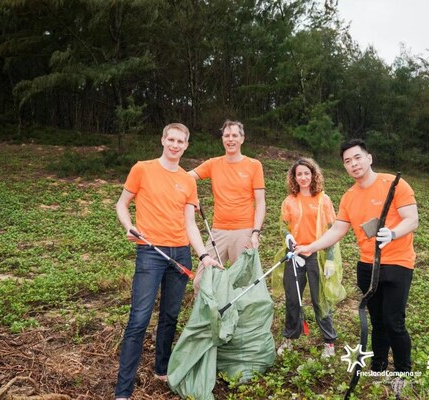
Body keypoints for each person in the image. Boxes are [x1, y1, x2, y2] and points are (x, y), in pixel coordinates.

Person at [114, 123, 220, 400]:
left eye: (180, 141)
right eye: (170, 139)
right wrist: (128, 226)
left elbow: (190, 223)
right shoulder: (142, 169)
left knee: (170, 316)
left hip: (180, 254)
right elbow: (122, 204)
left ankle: (161, 369)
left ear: (186, 145)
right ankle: (123, 391)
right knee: (139, 319)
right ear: (162, 140)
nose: (174, 145)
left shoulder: (188, 180)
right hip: (150, 252)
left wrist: (204, 255)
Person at [295, 139, 418, 378]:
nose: (353, 164)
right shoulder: (349, 197)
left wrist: (392, 233)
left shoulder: (394, 184)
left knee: (394, 322)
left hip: (398, 263)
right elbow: (337, 230)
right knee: (377, 321)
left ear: (369, 158)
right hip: (367, 266)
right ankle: (379, 367)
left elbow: (412, 219)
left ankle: (404, 373)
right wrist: (311, 247)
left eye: (357, 157)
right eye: (347, 161)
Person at [275, 158, 344, 358]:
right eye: (299, 174)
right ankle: (289, 337)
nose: (303, 177)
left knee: (319, 299)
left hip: (317, 255)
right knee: (293, 300)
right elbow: (283, 226)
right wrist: (288, 237)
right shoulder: (289, 201)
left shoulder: (324, 199)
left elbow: (332, 230)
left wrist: (330, 258)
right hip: (295, 256)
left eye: (307, 173)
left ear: (313, 175)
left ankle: (329, 341)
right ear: (294, 178)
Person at [189, 120, 265, 293]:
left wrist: (255, 233)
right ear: (222, 139)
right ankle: (211, 318)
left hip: (244, 231)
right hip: (218, 231)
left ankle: (240, 319)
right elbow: (186, 178)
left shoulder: (254, 165)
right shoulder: (213, 163)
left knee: (243, 283)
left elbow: (260, 202)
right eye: (227, 135)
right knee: (201, 281)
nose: (231, 139)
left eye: (235, 135)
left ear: (242, 139)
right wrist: (192, 198)